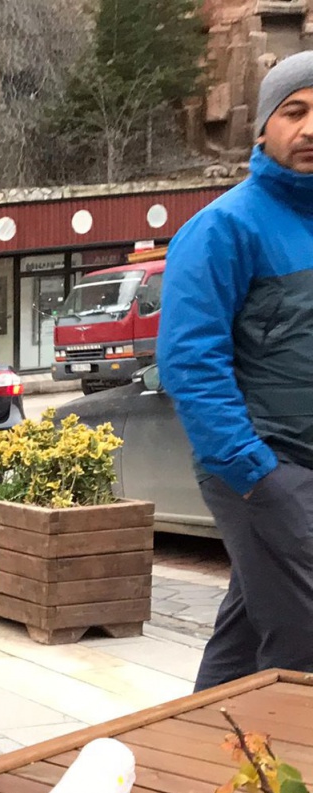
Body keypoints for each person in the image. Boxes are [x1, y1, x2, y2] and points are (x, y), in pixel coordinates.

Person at [159, 51, 313, 692]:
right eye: (295, 112)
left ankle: (199, 745)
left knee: (249, 626)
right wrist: (255, 472)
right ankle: (290, 785)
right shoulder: (223, 228)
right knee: (304, 635)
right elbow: (189, 362)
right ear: (262, 129)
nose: (310, 130)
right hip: (262, 463)